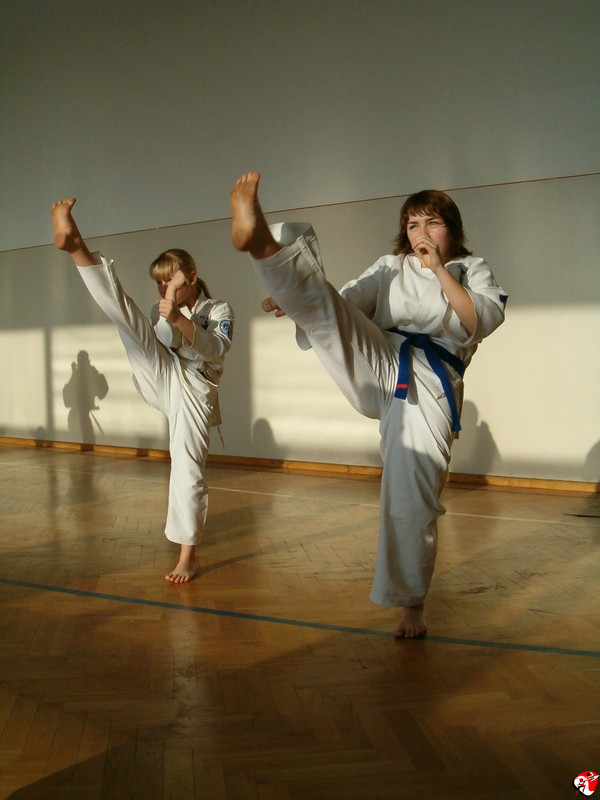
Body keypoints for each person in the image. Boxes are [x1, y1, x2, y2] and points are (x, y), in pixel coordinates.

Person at [230, 172, 507, 638]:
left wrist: (439, 269)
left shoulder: (471, 268)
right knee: (322, 302)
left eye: (432, 222)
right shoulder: (389, 266)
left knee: (412, 494)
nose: (420, 233)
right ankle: (262, 244)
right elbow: (345, 305)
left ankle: (411, 605)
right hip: (380, 357)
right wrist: (298, 301)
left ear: (452, 229)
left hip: (430, 383)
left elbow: (477, 322)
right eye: (412, 224)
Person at [51, 198, 234, 584]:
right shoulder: (161, 308)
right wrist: (169, 312)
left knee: (187, 468)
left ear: (192, 277)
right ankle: (77, 247)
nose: (164, 287)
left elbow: (215, 350)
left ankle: (187, 556)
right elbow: (160, 342)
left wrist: (179, 317)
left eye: (171, 280)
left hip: (196, 390)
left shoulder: (219, 309)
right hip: (164, 376)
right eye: (160, 282)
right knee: (127, 318)